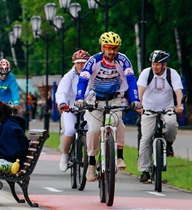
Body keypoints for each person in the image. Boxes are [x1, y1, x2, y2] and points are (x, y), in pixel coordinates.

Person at [74, 31, 142, 182]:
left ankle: (120, 157)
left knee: (119, 123)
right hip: (95, 99)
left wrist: (135, 99)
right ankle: (91, 163)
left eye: (115, 48)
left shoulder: (123, 60)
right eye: (109, 48)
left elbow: (131, 80)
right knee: (93, 130)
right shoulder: (94, 60)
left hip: (114, 98)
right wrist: (79, 98)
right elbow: (83, 80)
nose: (112, 51)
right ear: (103, 47)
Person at [136, 50, 184, 183]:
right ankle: (145, 170)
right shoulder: (147, 73)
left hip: (167, 108)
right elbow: (141, 89)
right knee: (145, 139)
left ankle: (168, 144)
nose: (154, 67)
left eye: (157, 64)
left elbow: (178, 91)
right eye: (153, 64)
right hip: (148, 109)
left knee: (172, 124)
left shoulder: (171, 73)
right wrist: (138, 103)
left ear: (164, 64)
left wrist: (180, 105)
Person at [56, 50, 91, 172]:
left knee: (91, 130)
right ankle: (65, 155)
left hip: (88, 108)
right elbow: (62, 91)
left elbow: (96, 90)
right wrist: (62, 103)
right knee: (70, 129)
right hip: (70, 109)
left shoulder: (93, 74)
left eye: (83, 63)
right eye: (78, 63)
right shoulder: (69, 76)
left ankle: (91, 159)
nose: (80, 66)